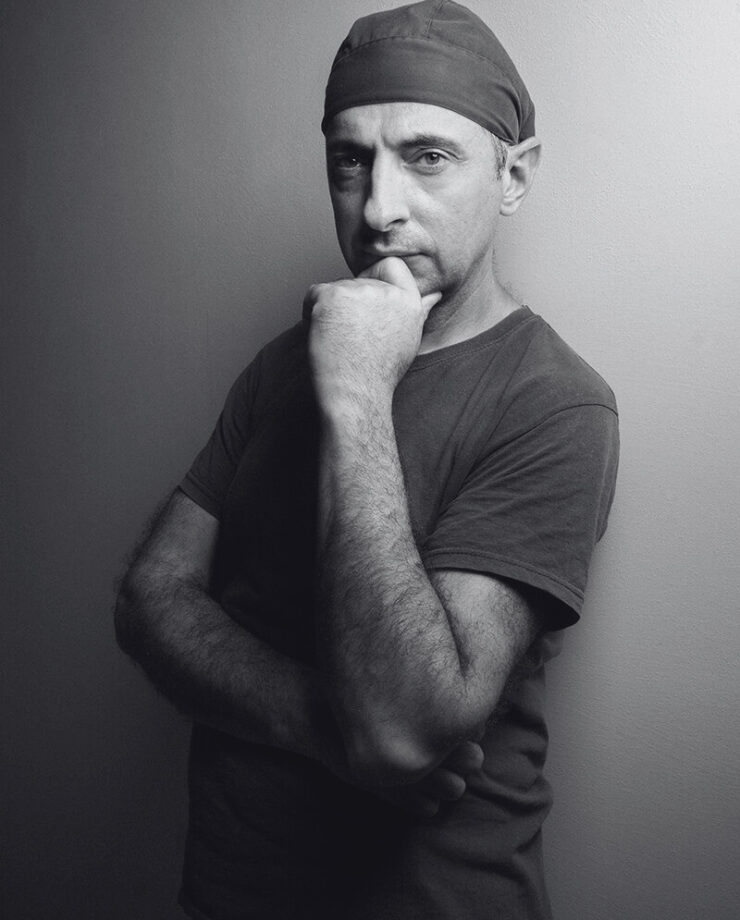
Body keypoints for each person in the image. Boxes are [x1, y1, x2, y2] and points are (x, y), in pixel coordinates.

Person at [115, 2, 619, 918]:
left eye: (427, 157)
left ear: (513, 175)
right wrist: (320, 724)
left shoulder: (553, 401)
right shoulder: (282, 364)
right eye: (351, 161)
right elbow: (150, 599)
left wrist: (354, 389)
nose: (379, 208)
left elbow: (400, 732)